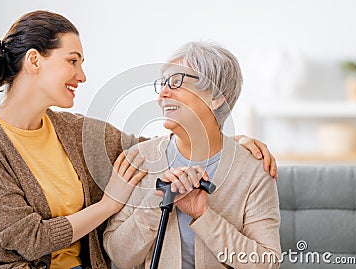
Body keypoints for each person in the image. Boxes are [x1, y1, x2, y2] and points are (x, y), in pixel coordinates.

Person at [0, 11, 277, 269]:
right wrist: (111, 204)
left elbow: (158, 147)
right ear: (34, 60)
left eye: (176, 82)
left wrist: (230, 140)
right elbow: (31, 240)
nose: (82, 75)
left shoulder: (74, 130)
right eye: (73, 61)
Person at [103, 42, 281, 269]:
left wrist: (203, 215)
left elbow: (267, 263)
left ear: (216, 97)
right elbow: (119, 257)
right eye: (163, 84)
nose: (163, 95)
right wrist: (158, 201)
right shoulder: (139, 159)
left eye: (177, 82)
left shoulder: (254, 169)